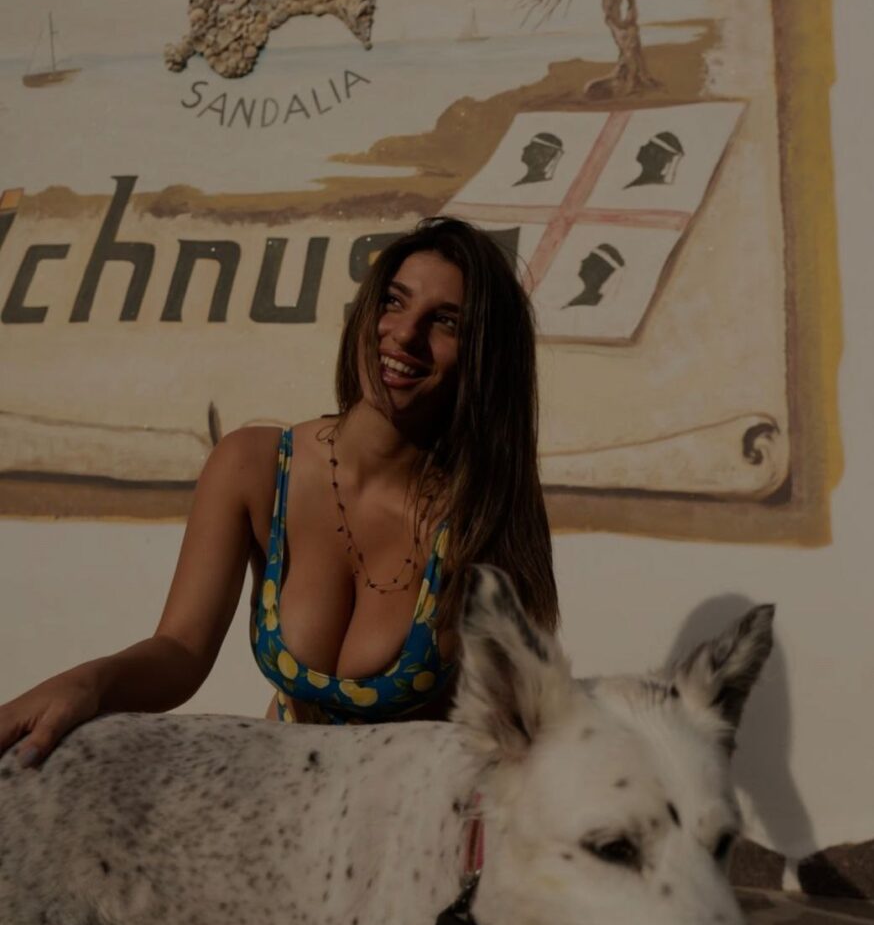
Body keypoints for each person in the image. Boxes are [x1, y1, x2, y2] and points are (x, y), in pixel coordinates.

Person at [0, 217, 558, 761]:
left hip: (409, 810)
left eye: (446, 322)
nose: (406, 334)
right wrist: (87, 683)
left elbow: (516, 719)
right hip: (282, 799)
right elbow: (181, 651)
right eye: (393, 301)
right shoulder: (256, 467)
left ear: (483, 357)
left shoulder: (483, 511)